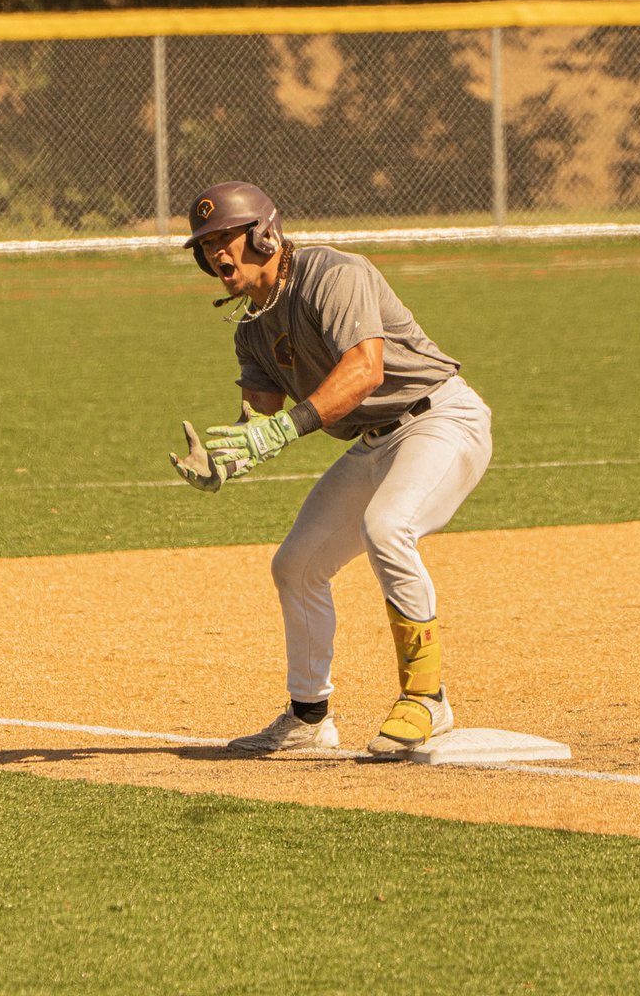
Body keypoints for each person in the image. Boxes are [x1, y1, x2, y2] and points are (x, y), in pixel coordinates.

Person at [170, 181, 492, 756]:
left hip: (440, 419)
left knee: (388, 527)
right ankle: (309, 717)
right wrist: (230, 456)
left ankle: (428, 699)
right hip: (374, 442)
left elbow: (365, 371)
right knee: (296, 565)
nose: (217, 253)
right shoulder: (251, 326)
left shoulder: (332, 275)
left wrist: (284, 428)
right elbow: (259, 414)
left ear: (265, 233)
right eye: (206, 244)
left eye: (227, 238)